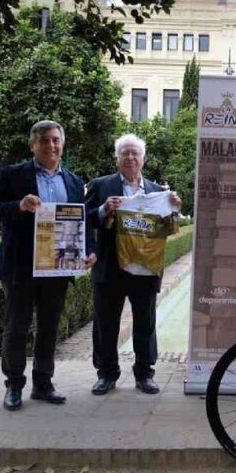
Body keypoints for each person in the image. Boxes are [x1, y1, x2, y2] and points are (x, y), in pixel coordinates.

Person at [0, 120, 97, 411]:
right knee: (16, 328)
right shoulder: (13, 175)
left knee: (49, 328)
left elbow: (82, 223)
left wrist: (90, 251)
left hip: (57, 268)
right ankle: (13, 386)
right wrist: (18, 206)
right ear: (32, 144)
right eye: (44, 140)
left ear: (63, 144)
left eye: (56, 140)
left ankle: (43, 384)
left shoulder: (73, 181)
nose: (51, 145)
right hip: (20, 266)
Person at [86, 134, 181, 395]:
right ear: (117, 158)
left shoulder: (158, 193)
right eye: (125, 153)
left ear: (143, 159)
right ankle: (106, 373)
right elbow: (84, 219)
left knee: (145, 322)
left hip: (145, 268)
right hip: (109, 267)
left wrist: (174, 210)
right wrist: (104, 209)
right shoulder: (100, 186)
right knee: (106, 323)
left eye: (135, 154)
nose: (130, 158)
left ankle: (145, 373)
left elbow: (169, 229)